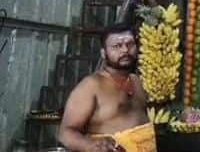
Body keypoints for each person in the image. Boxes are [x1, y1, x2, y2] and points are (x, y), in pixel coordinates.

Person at [59, 23, 154, 152]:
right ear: (103, 53)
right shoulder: (91, 86)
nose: (125, 50)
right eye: (117, 46)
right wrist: (91, 146)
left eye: (130, 44)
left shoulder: (136, 81)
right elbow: (66, 133)